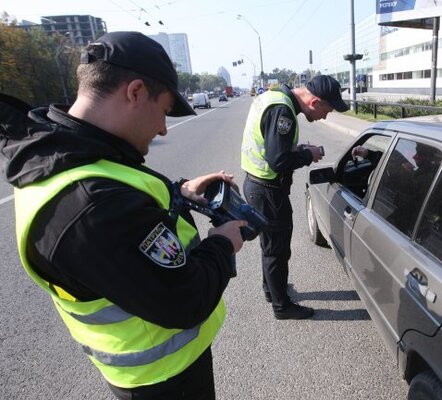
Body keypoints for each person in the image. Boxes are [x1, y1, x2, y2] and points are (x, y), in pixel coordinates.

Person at [0, 31, 246, 399]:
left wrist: (180, 193)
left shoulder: (71, 153)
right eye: (162, 111)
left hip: (165, 369)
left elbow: (126, 203)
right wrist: (223, 244)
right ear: (134, 92)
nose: (164, 127)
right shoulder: (88, 204)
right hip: (160, 381)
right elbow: (185, 301)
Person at [240, 75, 349, 320]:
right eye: (327, 110)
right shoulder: (283, 110)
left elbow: (273, 148)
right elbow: (277, 161)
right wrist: (308, 156)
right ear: (315, 102)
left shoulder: (276, 97)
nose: (325, 117)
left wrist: (297, 151)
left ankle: (271, 289)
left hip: (258, 185)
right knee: (276, 250)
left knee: (269, 246)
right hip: (267, 189)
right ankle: (282, 306)